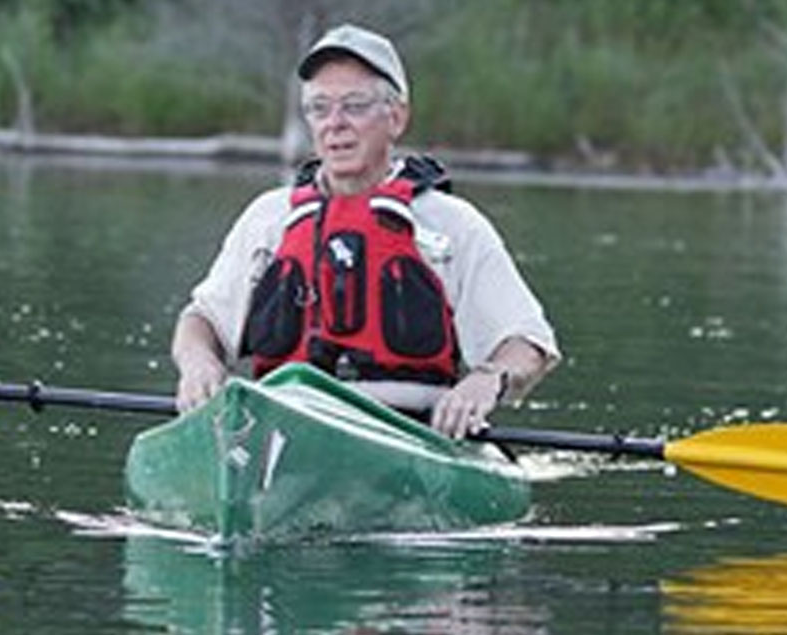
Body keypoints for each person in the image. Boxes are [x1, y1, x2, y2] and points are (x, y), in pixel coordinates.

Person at [171, 23, 559, 440]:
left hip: (409, 434)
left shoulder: (453, 225)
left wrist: (487, 379)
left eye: (354, 106)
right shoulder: (268, 218)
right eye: (319, 108)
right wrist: (198, 362)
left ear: (396, 117)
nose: (334, 124)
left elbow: (528, 343)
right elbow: (201, 320)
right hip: (283, 428)